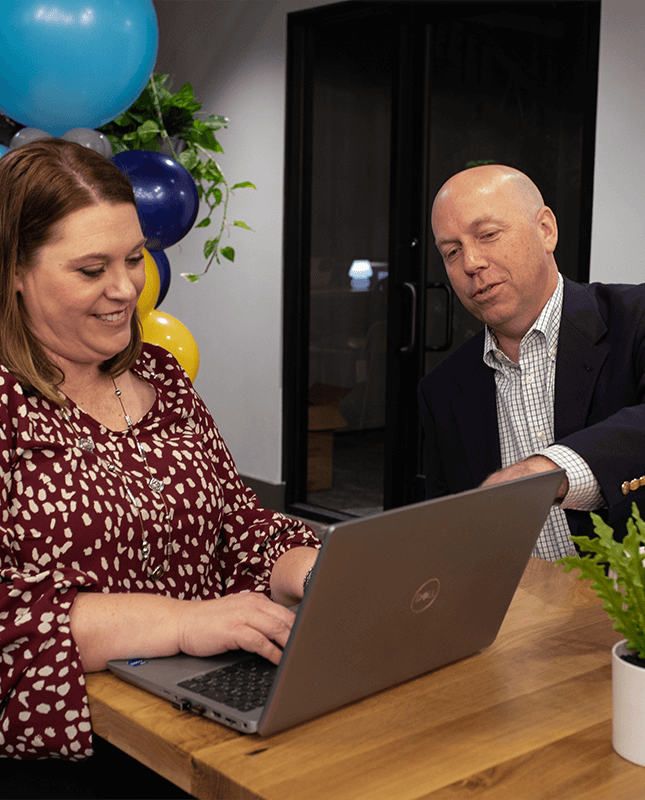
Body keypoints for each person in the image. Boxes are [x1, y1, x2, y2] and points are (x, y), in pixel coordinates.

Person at [0, 139, 320, 768]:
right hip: (83, 752)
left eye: (135, 257)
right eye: (92, 270)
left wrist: (315, 574)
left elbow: (237, 528)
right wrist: (182, 623)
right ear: (14, 269)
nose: (126, 289)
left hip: (207, 721)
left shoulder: (160, 375)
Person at [418, 164, 645, 561]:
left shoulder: (635, 318)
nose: (471, 262)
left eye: (488, 235)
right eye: (451, 252)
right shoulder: (442, 390)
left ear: (546, 230)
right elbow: (448, 528)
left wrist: (546, 470)